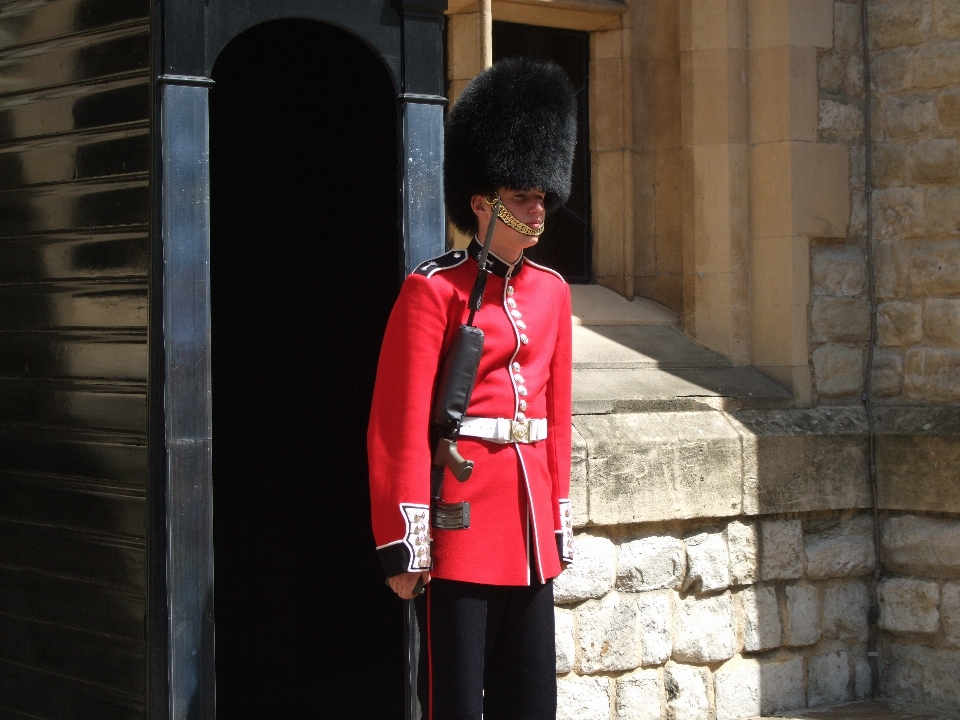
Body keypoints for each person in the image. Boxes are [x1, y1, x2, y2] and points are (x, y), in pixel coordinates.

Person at [367, 57, 577, 720]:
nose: (537, 207)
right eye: (522, 197)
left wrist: (558, 522)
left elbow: (556, 420)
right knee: (454, 702)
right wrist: (407, 538)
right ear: (482, 204)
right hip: (459, 526)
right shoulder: (433, 290)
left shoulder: (553, 293)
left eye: (542, 195)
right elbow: (396, 424)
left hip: (529, 531)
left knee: (530, 700)